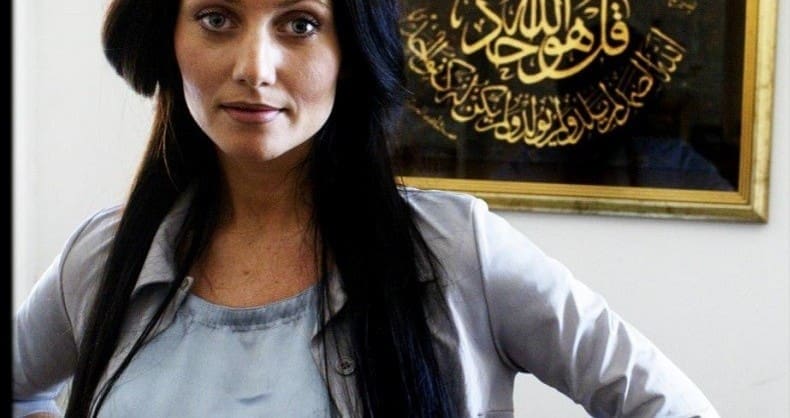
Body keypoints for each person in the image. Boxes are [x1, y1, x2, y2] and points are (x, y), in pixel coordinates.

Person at [12, 0, 721, 417]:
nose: (254, 67)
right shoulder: (104, 258)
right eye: (217, 18)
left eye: (299, 24)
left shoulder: (457, 251)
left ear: (350, 47)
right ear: (168, 38)